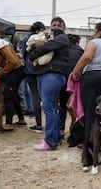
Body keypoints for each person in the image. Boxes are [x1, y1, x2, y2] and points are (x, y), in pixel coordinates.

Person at [71, 21, 101, 152]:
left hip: (93, 77)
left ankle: (89, 143)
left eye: (94, 31)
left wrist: (75, 71)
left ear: (98, 32)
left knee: (91, 111)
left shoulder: (94, 42)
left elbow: (86, 57)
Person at [28, 17, 69, 150]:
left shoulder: (61, 38)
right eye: (53, 25)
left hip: (53, 74)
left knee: (48, 107)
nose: (55, 27)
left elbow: (47, 47)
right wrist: (36, 46)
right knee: (51, 107)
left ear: (63, 27)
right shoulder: (49, 38)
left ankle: (50, 142)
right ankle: (55, 137)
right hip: (45, 74)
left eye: (58, 25)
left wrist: (32, 54)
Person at [0, 27, 26, 131]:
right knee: (13, 96)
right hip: (17, 70)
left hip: (16, 70)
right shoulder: (4, 43)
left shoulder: (0, 44)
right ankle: (21, 119)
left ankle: (8, 125)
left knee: (8, 96)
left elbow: (13, 62)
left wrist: (0, 73)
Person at [21, 21, 45, 133]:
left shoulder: (27, 39)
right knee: (43, 97)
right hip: (41, 70)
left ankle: (39, 124)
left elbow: (23, 54)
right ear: (39, 29)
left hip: (30, 71)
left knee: (35, 96)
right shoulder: (42, 39)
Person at [59, 34, 84, 139]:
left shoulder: (62, 50)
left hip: (63, 79)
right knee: (78, 106)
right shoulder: (81, 51)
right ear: (77, 42)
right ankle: (75, 130)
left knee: (62, 106)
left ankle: (60, 130)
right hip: (76, 81)